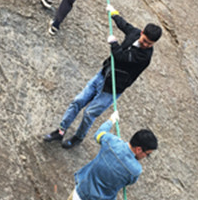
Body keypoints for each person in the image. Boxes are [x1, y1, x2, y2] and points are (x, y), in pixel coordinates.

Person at [43, 8, 162, 148]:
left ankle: (78, 137)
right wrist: (114, 14)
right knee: (77, 101)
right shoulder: (135, 33)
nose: (146, 45)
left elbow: (121, 57)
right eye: (145, 40)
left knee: (89, 114)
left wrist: (113, 44)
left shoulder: (144, 57)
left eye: (150, 44)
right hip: (103, 75)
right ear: (141, 33)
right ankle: (60, 131)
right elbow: (125, 25)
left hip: (112, 88)